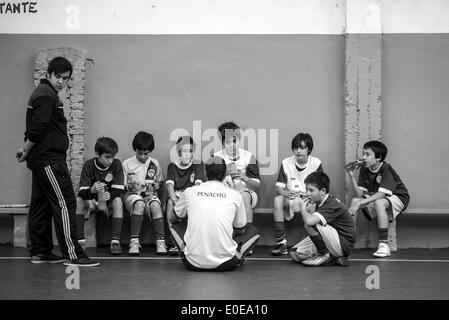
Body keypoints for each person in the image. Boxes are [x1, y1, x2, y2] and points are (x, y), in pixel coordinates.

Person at [16, 56, 99, 266]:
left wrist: (27, 150)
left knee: (41, 204)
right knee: (65, 202)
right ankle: (73, 254)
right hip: (49, 160)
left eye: (66, 78)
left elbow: (37, 127)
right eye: (58, 77)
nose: (62, 82)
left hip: (42, 159)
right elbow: (38, 128)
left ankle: (40, 252)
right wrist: (25, 150)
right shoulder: (46, 95)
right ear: (48, 74)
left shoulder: (45, 93)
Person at [169, 156, 260, 271]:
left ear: (205, 172)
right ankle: (237, 255)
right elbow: (241, 229)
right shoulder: (235, 195)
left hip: (192, 263)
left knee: (175, 226)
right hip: (227, 263)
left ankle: (187, 250)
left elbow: (172, 218)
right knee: (253, 231)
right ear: (225, 173)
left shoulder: (190, 192)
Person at [346, 140, 410, 258]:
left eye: (368, 154)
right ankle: (347, 241)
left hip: (398, 197)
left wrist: (361, 203)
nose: (364, 157)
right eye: (363, 153)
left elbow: (381, 195)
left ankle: (383, 245)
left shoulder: (386, 168)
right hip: (379, 197)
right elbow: (359, 194)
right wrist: (352, 176)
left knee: (378, 202)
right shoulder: (365, 168)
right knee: (355, 201)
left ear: (378, 157)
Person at [289, 171, 356, 267]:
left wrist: (302, 207)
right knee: (295, 254)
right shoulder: (317, 202)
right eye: (306, 189)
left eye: (311, 190)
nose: (307, 193)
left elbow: (309, 221)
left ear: (323, 191)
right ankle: (334, 259)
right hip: (330, 238)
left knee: (310, 224)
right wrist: (308, 209)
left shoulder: (331, 203)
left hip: (343, 243)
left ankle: (324, 254)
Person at [272, 133, 323, 256]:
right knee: (278, 200)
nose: (298, 151)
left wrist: (310, 197)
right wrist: (286, 193)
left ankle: (318, 245)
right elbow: (279, 187)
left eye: (302, 147)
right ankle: (281, 244)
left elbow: (320, 189)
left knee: (316, 205)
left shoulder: (316, 163)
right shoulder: (286, 162)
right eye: (295, 147)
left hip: (309, 200)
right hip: (291, 199)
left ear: (309, 149)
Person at [213, 122, 260, 253]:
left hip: (246, 191)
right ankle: (222, 240)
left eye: (234, 141)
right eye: (228, 142)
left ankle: (247, 240)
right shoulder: (217, 157)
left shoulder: (249, 156)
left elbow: (257, 185)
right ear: (223, 143)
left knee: (243, 196)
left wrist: (244, 177)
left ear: (238, 140)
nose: (232, 145)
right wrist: (223, 173)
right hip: (224, 191)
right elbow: (210, 183)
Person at [76, 137, 125, 255]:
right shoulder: (89, 165)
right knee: (78, 200)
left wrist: (110, 195)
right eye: (107, 157)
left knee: (118, 200)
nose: (110, 160)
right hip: (92, 200)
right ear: (97, 154)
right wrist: (92, 190)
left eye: (113, 157)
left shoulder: (117, 164)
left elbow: (119, 190)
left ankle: (115, 242)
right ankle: (80, 241)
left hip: (108, 201)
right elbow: (82, 192)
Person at [122, 131, 167, 255]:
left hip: (149, 195)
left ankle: (160, 241)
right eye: (139, 153)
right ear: (135, 150)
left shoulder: (154, 163)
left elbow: (159, 182)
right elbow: (122, 185)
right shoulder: (126, 164)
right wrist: (130, 186)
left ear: (150, 151)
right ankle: (134, 242)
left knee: (156, 205)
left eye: (145, 153)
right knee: (139, 203)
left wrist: (157, 185)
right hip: (132, 196)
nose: (142, 156)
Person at [165, 136, 207, 255]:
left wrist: (188, 199)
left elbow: (198, 185)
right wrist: (174, 199)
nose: (187, 154)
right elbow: (169, 185)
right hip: (177, 196)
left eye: (190, 151)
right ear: (178, 152)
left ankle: (192, 242)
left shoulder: (198, 165)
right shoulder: (172, 166)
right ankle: (174, 242)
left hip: (192, 195)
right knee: (169, 203)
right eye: (184, 151)